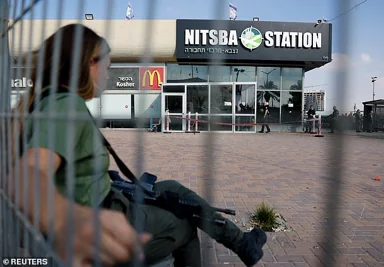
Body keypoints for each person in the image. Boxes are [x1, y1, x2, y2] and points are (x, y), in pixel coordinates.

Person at [4, 24, 266, 267]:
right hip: (107, 217)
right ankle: (241, 243)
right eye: (104, 67)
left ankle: (242, 243)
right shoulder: (65, 106)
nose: (107, 75)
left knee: (173, 189)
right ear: (86, 65)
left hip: (111, 197)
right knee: (187, 223)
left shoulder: (46, 102)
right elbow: (27, 176)